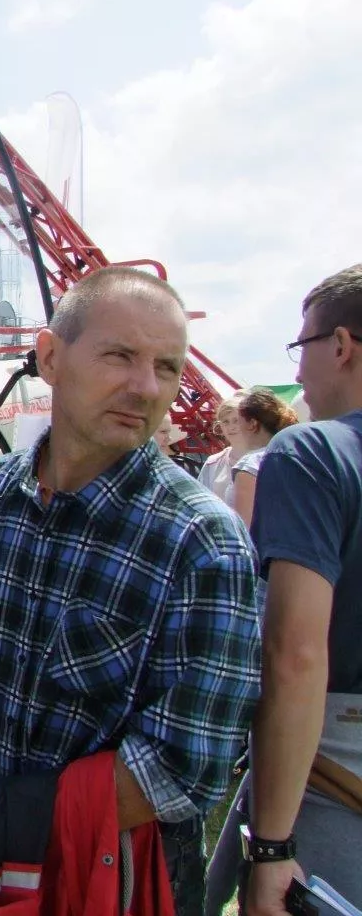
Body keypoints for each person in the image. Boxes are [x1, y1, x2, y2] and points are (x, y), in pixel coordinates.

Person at [0, 266, 263, 916]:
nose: (145, 387)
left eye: (168, 367)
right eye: (121, 355)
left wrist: (7, 824)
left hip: (118, 880)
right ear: (50, 357)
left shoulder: (203, 542)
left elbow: (187, 761)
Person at [244, 263, 362, 915]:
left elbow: (295, 653)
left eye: (303, 347)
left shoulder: (313, 454)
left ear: (339, 345)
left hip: (331, 775)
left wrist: (270, 847)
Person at [222, 387, 298, 528]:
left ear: (252, 424)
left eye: (238, 421)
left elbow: (244, 528)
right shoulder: (296, 457)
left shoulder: (250, 464)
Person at [198, 392, 245, 500]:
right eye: (226, 422)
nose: (231, 427)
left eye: (236, 421)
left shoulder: (264, 459)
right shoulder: (212, 463)